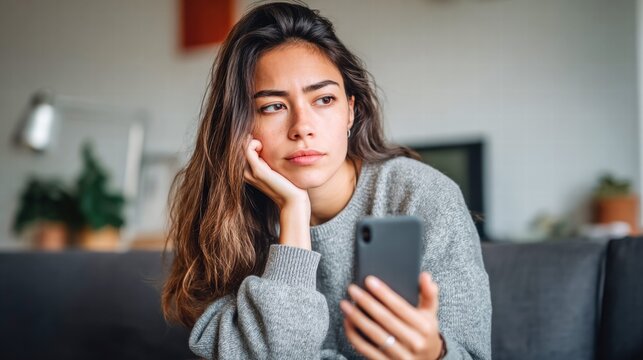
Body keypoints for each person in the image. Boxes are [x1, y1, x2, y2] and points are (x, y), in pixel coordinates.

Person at [162, 2, 491, 359]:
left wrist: (433, 354)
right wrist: (293, 213)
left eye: (324, 99)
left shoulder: (422, 196)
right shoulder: (224, 220)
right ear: (239, 126)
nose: (302, 126)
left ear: (350, 110)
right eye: (273, 106)